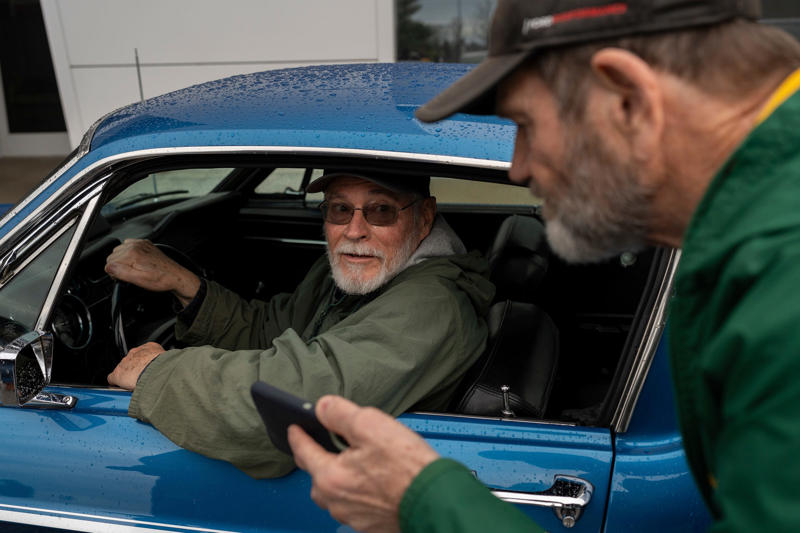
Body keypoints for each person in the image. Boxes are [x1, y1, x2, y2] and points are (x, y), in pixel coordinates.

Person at [289, 0, 800, 531]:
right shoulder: (751, 232)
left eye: (526, 125)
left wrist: (425, 503)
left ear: (627, 98)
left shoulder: (783, 281)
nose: (518, 167)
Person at [105, 170, 495, 478]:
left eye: (380, 210)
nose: (354, 230)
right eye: (340, 209)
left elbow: (299, 402)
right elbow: (270, 331)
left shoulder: (431, 306)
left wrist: (158, 373)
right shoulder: (352, 275)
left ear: (424, 217)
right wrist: (185, 285)